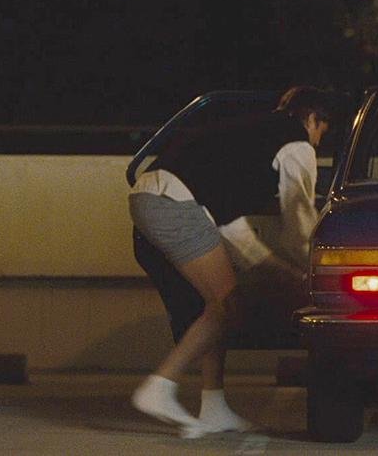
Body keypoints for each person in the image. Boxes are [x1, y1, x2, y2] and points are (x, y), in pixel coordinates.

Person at [128, 86, 340, 438]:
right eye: (322, 131)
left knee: (221, 304)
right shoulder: (296, 142)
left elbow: (234, 232)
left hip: (155, 197)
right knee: (226, 303)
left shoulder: (249, 139)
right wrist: (320, 271)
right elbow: (299, 221)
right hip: (172, 202)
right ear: (312, 118)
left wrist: (284, 271)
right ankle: (159, 387)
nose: (318, 142)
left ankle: (213, 408)